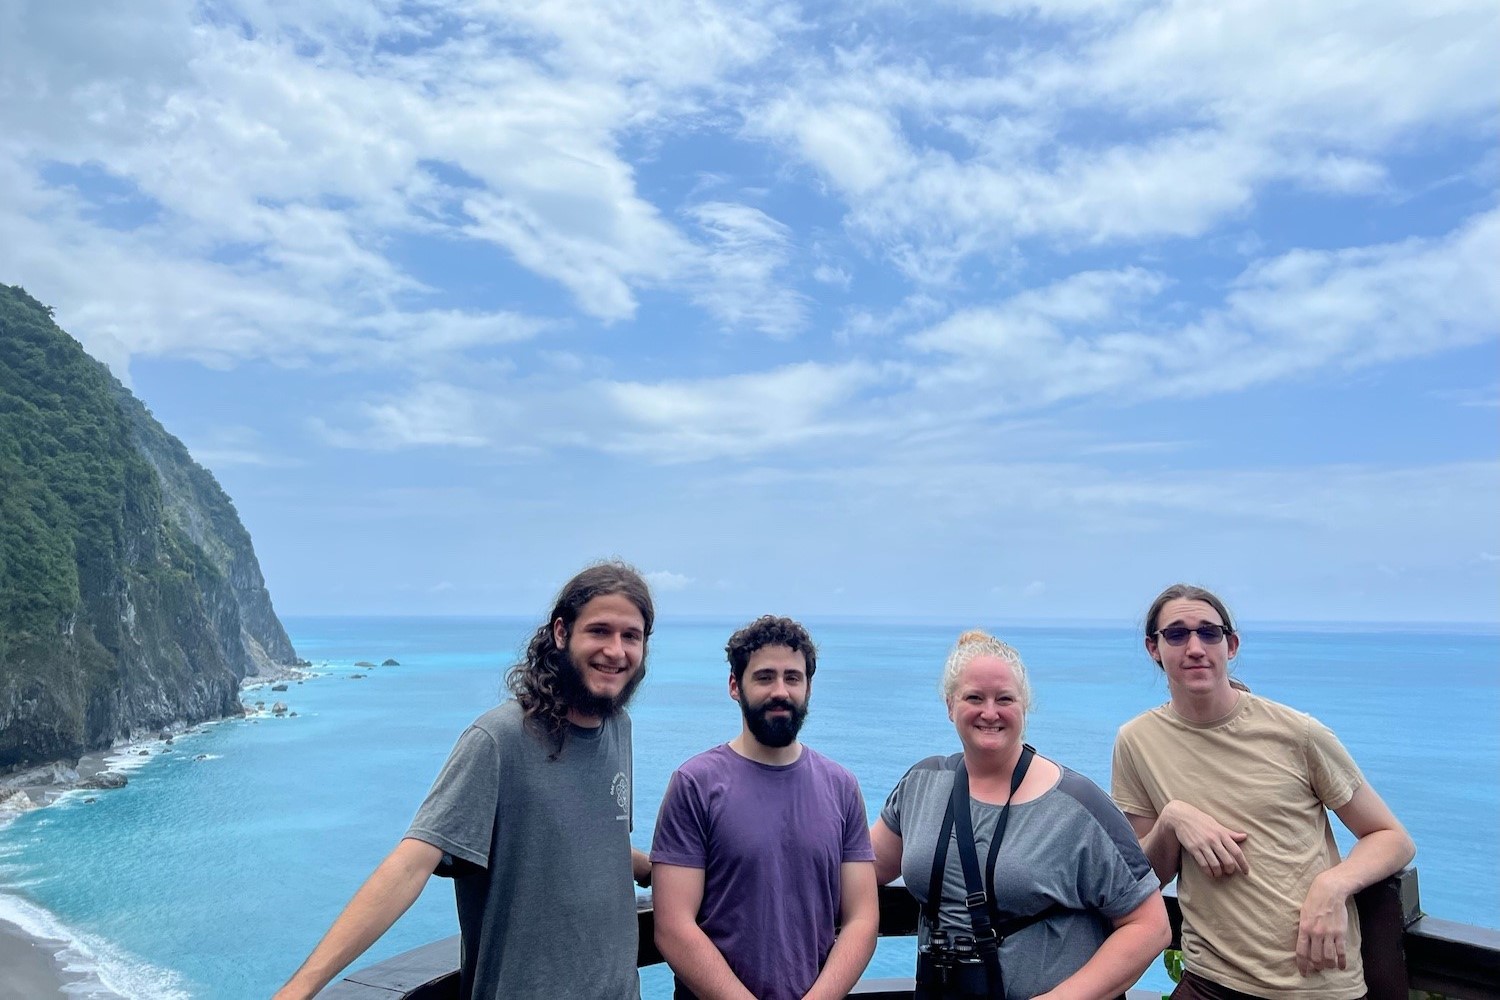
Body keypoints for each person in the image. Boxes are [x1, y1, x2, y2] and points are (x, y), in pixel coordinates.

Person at [274, 562, 656, 1000]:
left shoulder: (617, 727)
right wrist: (300, 988)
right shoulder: (500, 739)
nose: (616, 650)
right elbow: (410, 864)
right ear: (561, 633)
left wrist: (655, 870)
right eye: (600, 631)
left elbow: (580, 835)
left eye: (631, 636)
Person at [1112, 584, 1416, 999]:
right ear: (1154, 648)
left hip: (1315, 984)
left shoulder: (1297, 733)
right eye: (1177, 634)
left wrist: (1334, 885)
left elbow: (1391, 837)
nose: (1195, 647)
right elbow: (1145, 877)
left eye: (1209, 632)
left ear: (1231, 645)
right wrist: (1173, 819)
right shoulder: (1136, 741)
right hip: (1210, 980)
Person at [871, 630, 1170, 1000]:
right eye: (974, 698)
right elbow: (863, 868)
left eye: (1005, 699)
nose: (990, 712)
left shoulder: (1077, 805)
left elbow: (1150, 926)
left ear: (1024, 706)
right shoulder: (922, 785)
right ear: (950, 705)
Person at [650, 615, 879, 1000]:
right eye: (764, 677)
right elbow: (673, 927)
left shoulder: (841, 787)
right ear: (735, 686)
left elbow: (862, 918)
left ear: (808, 687)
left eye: (793, 678)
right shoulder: (695, 784)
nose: (780, 691)